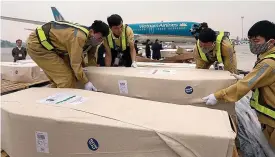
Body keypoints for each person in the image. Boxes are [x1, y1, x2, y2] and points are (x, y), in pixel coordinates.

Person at [202, 20, 275, 148]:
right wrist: (245, 77)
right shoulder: (265, 57)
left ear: (271, 41)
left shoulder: (268, 63)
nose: (252, 44)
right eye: (250, 40)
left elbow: (246, 85)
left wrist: (218, 96)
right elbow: (260, 79)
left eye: (256, 41)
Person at [26, 20, 109, 90]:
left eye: (102, 39)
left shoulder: (92, 40)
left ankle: (52, 95)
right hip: (39, 45)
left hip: (54, 47)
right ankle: (62, 106)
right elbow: (75, 63)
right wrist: (86, 82)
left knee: (70, 76)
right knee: (65, 79)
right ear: (91, 32)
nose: (100, 41)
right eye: (99, 38)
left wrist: (93, 73)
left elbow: (91, 58)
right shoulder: (79, 37)